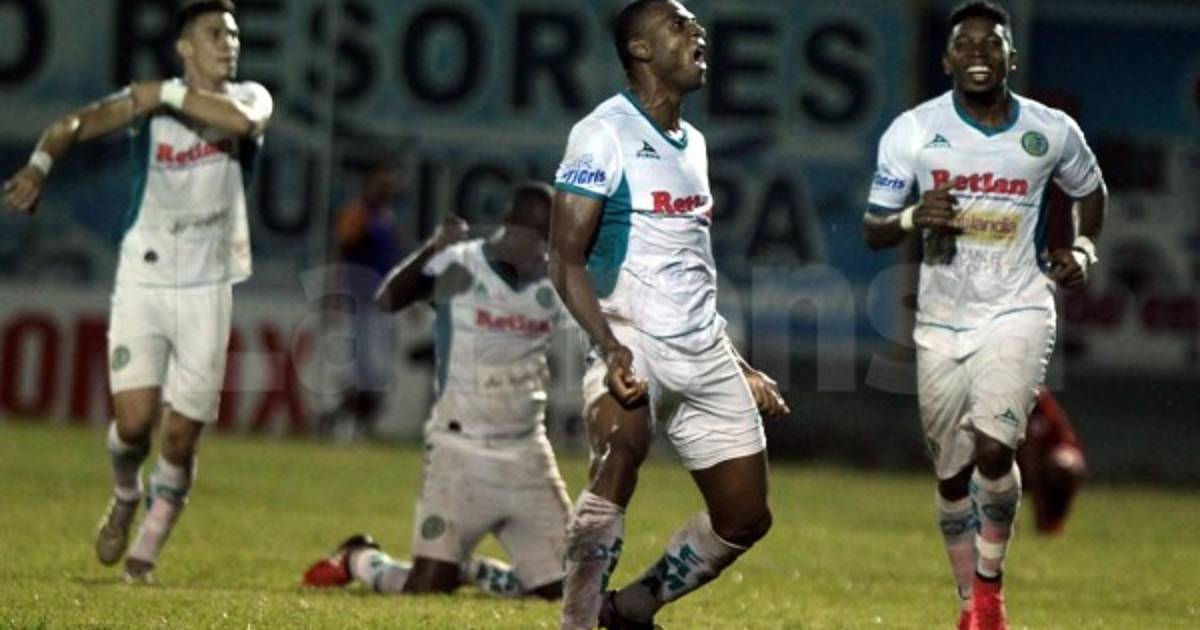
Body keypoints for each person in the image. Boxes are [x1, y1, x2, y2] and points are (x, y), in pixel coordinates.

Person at [2, 0, 272, 582]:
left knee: (180, 436)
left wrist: (164, 94)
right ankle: (126, 494)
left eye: (233, 35)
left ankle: (143, 557)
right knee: (134, 424)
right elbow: (73, 124)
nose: (228, 44)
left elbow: (243, 124)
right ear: (184, 47)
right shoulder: (147, 106)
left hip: (208, 287)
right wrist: (40, 166)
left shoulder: (249, 97)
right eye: (214, 34)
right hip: (144, 277)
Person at [862, 2, 1106, 628]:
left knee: (997, 451)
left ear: (1010, 57)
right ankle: (968, 603)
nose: (978, 53)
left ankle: (990, 595)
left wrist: (1083, 247)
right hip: (940, 322)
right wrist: (914, 215)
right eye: (964, 45)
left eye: (991, 43)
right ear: (947, 60)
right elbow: (874, 227)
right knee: (952, 477)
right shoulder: (914, 130)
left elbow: (1091, 191)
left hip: (1018, 307)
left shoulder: (1051, 131)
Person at [549, 2, 790, 628]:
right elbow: (564, 258)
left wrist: (738, 364)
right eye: (679, 24)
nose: (697, 31)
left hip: (703, 349)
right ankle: (577, 622)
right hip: (633, 340)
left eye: (696, 23)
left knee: (745, 518)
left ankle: (629, 609)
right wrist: (611, 347)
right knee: (621, 450)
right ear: (641, 49)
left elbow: (690, 274)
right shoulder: (603, 133)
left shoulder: (695, 144)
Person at [301, 181, 572, 600]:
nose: (540, 251)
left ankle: (472, 570)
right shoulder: (461, 265)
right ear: (508, 225)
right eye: (535, 238)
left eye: (547, 241)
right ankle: (359, 559)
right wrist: (432, 248)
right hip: (460, 452)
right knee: (426, 588)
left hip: (527, 454)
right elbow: (389, 299)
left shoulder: (555, 280)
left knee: (570, 589)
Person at [318, 158, 409, 439]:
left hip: (382, 302)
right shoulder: (358, 214)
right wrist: (333, 293)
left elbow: (395, 262)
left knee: (377, 371)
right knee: (358, 367)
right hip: (358, 299)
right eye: (384, 182)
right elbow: (340, 252)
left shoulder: (389, 218)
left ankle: (358, 425)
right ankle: (345, 423)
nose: (388, 188)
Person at [1016, 387, 1086, 536]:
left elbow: (1061, 442)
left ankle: (1051, 522)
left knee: (1064, 466)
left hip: (1042, 461)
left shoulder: (1036, 398)